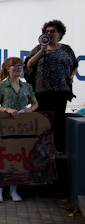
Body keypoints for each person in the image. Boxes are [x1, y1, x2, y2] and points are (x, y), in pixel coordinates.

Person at [25, 20, 78, 154]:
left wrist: (72, 75)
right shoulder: (38, 48)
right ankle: (40, 148)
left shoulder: (66, 49)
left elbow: (75, 65)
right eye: (47, 31)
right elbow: (29, 64)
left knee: (58, 120)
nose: (49, 33)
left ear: (59, 34)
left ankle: (57, 147)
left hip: (60, 89)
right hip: (41, 89)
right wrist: (42, 50)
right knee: (42, 119)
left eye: (52, 31)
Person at [0, 57, 39, 203]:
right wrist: (7, 109)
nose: (18, 67)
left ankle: (14, 189)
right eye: (15, 65)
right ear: (8, 68)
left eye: (20, 65)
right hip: (5, 125)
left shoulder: (26, 87)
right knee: (3, 156)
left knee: (20, 156)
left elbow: (35, 103)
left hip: (23, 125)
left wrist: (29, 110)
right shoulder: (1, 86)